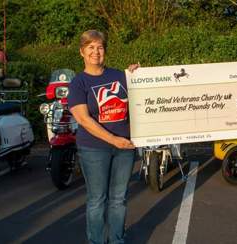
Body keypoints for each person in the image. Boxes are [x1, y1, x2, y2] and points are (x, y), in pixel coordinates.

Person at [68, 29, 139, 244]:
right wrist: (113, 140)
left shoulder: (119, 76)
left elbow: (141, 99)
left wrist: (139, 76)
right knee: (97, 200)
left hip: (125, 146)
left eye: (100, 47)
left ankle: (117, 240)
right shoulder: (78, 83)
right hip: (94, 148)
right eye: (90, 47)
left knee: (119, 199)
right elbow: (83, 119)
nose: (96, 52)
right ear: (82, 52)